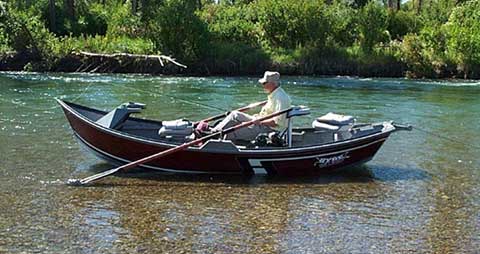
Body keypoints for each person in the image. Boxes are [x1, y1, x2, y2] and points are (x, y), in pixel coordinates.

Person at [211, 71, 291, 141]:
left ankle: (216, 140)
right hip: (259, 121)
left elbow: (277, 123)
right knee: (235, 114)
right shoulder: (274, 94)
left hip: (268, 129)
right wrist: (258, 119)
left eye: (264, 83)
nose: (262, 85)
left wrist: (260, 122)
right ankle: (214, 132)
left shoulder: (281, 98)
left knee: (230, 132)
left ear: (272, 84)